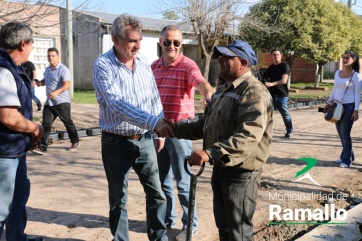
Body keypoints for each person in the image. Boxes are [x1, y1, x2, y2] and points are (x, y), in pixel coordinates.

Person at [165, 40, 273, 241]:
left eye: (226, 57)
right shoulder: (224, 90)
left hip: (240, 175)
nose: (220, 61)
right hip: (222, 170)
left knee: (237, 233)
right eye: (220, 57)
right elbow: (203, 125)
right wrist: (173, 129)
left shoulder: (253, 92)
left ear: (242, 62)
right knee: (224, 229)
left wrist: (209, 153)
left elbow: (247, 137)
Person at [92, 14, 174, 241]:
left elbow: (153, 96)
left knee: (157, 194)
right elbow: (116, 104)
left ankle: (159, 237)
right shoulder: (103, 65)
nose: (137, 45)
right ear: (115, 40)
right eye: (131, 41)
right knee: (118, 199)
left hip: (146, 139)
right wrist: (153, 122)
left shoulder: (144, 61)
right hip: (115, 142)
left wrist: (158, 128)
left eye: (139, 40)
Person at [151, 25, 213, 240]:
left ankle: (190, 224)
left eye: (176, 42)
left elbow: (200, 82)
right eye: (167, 42)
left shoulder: (187, 65)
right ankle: (168, 220)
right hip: (157, 131)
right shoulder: (153, 67)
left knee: (183, 182)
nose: (172, 46)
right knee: (162, 182)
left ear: (181, 44)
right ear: (160, 42)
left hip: (179, 132)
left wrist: (208, 94)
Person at [0, 21, 44, 241]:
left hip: (15, 150)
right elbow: (8, 116)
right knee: (1, 208)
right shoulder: (3, 70)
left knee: (17, 200)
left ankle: (18, 238)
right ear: (22, 43)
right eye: (32, 41)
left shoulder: (14, 67)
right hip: (4, 153)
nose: (33, 46)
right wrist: (36, 128)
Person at [32, 47, 79, 154]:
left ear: (58, 57)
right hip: (49, 102)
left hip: (62, 102)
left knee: (67, 123)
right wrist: (40, 83)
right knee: (46, 125)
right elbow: (46, 81)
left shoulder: (63, 69)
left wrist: (56, 92)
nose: (50, 58)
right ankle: (43, 147)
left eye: (53, 56)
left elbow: (66, 85)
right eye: (49, 56)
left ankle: (75, 141)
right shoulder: (47, 69)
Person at [325, 50, 361, 168]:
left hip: (349, 107)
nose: (344, 60)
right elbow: (335, 89)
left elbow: (357, 94)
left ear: (353, 60)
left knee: (345, 133)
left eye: (347, 58)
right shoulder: (337, 73)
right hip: (337, 106)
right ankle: (349, 155)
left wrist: (356, 110)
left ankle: (346, 160)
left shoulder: (356, 75)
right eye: (343, 57)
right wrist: (329, 102)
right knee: (340, 133)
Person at [264, 48, 294, 138]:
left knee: (285, 114)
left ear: (280, 55)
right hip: (271, 95)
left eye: (278, 54)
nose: (276, 56)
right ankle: (266, 132)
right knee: (266, 114)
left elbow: (284, 80)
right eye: (274, 55)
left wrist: (271, 84)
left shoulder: (284, 65)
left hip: (282, 95)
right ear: (272, 56)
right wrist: (265, 82)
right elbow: (264, 77)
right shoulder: (270, 68)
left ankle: (290, 131)